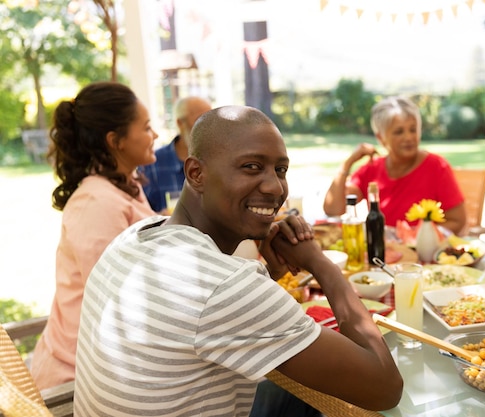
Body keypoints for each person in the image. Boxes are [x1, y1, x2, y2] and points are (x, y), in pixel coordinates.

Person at [73, 105, 403, 416]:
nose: (275, 187)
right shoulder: (223, 287)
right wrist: (319, 262)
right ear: (196, 173)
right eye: (251, 167)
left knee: (298, 394)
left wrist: (269, 275)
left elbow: (205, 321)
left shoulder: (135, 236)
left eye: (281, 170)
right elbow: (385, 387)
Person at [30, 82, 159, 390]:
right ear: (115, 140)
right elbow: (113, 301)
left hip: (116, 367)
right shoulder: (96, 203)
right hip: (77, 382)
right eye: (147, 127)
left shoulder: (125, 186)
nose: (154, 135)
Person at [323, 96, 466, 235]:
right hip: (384, 255)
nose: (408, 137)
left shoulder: (437, 167)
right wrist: (348, 163)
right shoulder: (372, 169)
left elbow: (457, 221)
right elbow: (333, 210)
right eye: (399, 132)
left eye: (413, 129)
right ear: (381, 138)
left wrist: (418, 237)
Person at [139, 96, 213, 213]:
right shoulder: (153, 165)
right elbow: (139, 219)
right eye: (200, 120)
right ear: (180, 123)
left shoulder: (219, 161)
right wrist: (161, 219)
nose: (207, 127)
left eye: (211, 120)